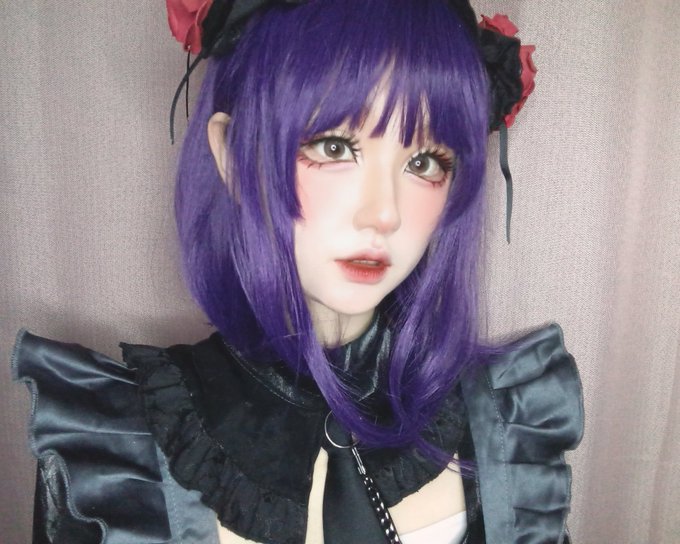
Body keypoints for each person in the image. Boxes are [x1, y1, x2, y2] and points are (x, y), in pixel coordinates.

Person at [12, 1, 583, 543]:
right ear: (232, 154)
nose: (383, 214)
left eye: (424, 161)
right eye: (334, 147)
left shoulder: (510, 428)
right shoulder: (112, 452)